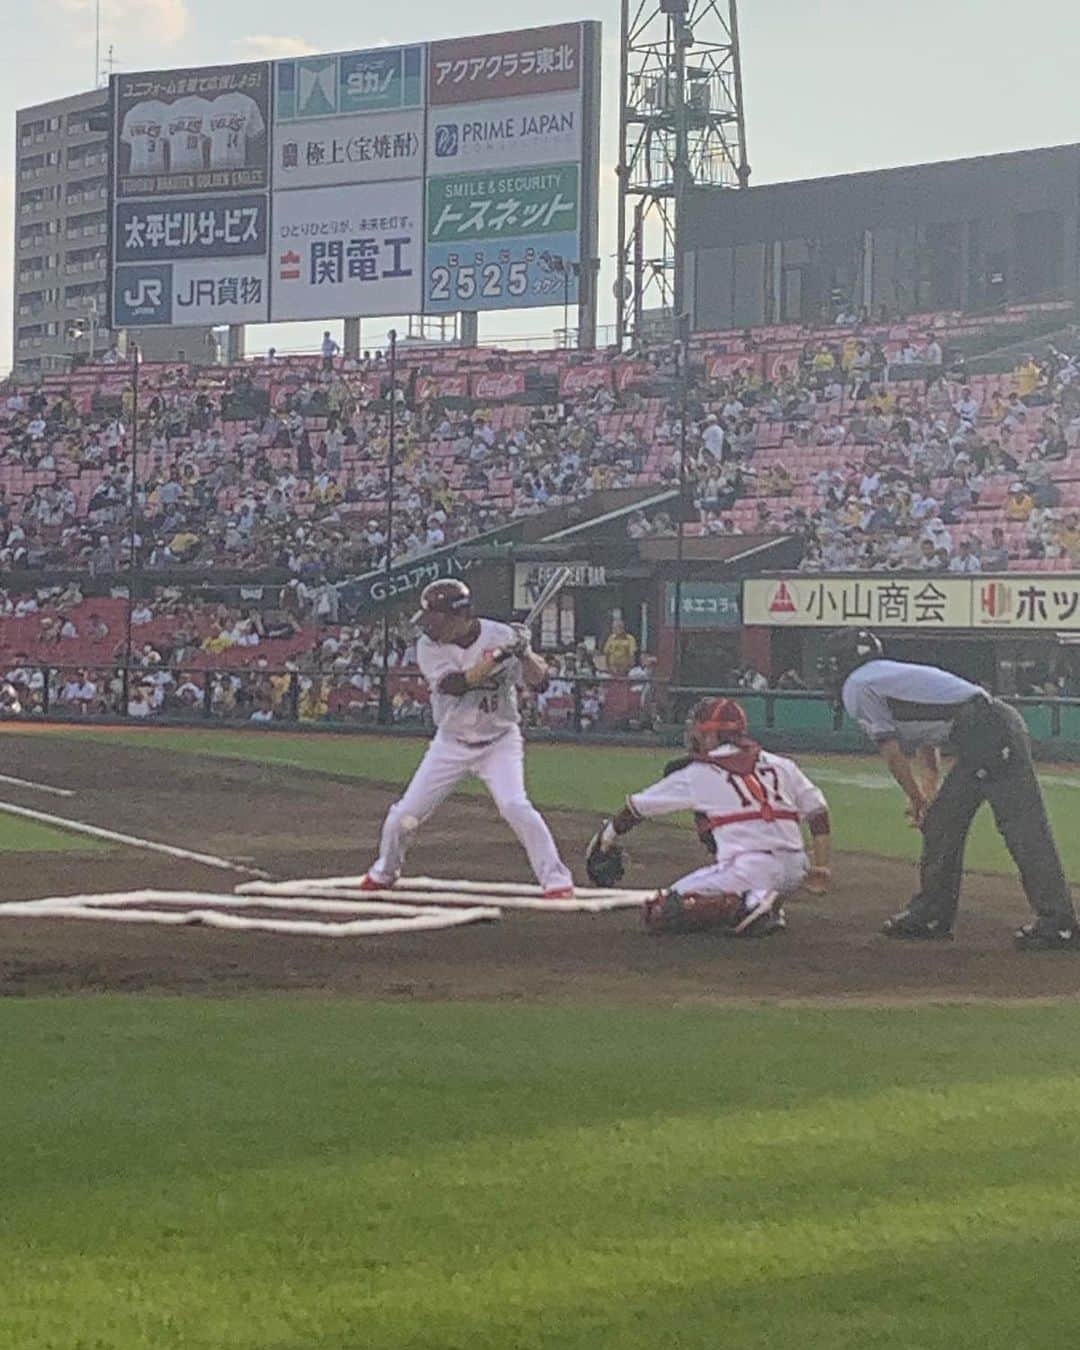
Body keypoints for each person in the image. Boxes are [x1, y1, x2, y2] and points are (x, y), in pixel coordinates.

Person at [820, 628, 1077, 950]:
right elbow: (928, 732)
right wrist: (929, 788)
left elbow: (892, 751)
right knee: (941, 823)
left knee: (1023, 828)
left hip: (988, 729)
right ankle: (931, 914)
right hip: (983, 728)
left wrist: (915, 797)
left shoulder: (858, 685)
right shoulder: (883, 676)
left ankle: (1058, 923)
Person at [360, 579, 575, 898]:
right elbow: (456, 684)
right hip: (451, 743)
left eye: (437, 618)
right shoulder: (429, 646)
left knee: (516, 806)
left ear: (459, 616)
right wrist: (499, 657)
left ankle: (556, 880)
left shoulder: (500, 635)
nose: (430, 626)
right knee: (404, 816)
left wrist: (525, 653)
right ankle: (385, 871)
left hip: (499, 740)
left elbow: (541, 683)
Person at [585, 697, 831, 936]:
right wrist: (821, 866)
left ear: (713, 735)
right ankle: (757, 900)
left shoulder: (699, 773)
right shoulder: (781, 764)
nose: (697, 738)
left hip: (751, 868)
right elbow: (818, 813)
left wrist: (606, 838)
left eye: (701, 733)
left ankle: (754, 902)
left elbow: (636, 809)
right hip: (797, 867)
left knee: (663, 911)